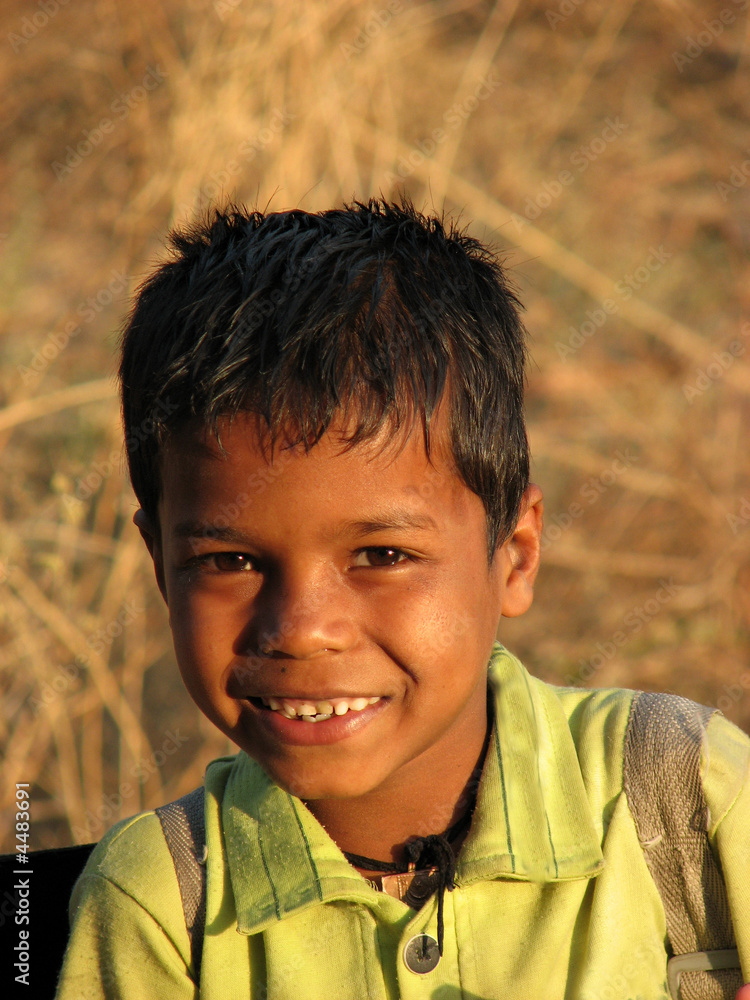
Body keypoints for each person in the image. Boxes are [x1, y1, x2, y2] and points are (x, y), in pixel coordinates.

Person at [55, 199, 750, 999]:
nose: (302, 630)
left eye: (382, 556)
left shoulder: (679, 794)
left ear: (515, 555)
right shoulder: (163, 901)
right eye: (229, 561)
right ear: (160, 566)